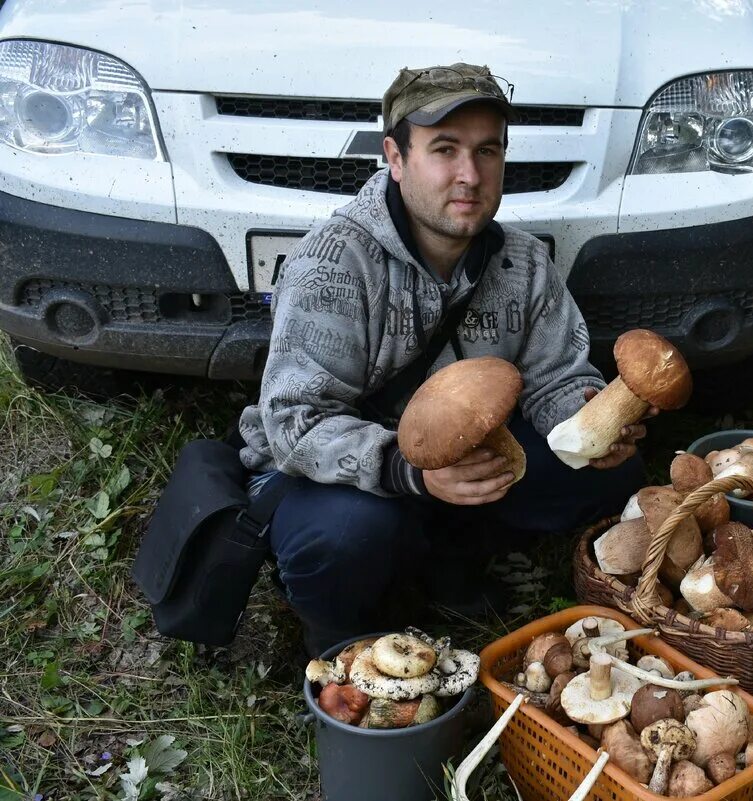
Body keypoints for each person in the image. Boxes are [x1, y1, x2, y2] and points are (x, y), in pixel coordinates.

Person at [236, 64, 648, 655]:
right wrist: (411, 472)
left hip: (463, 453)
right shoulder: (333, 264)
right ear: (396, 158)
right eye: (444, 150)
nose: (469, 175)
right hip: (353, 475)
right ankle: (335, 631)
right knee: (346, 536)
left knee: (606, 472)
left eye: (487, 151)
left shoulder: (524, 264)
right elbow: (294, 422)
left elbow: (556, 374)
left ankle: (452, 560)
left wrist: (587, 416)